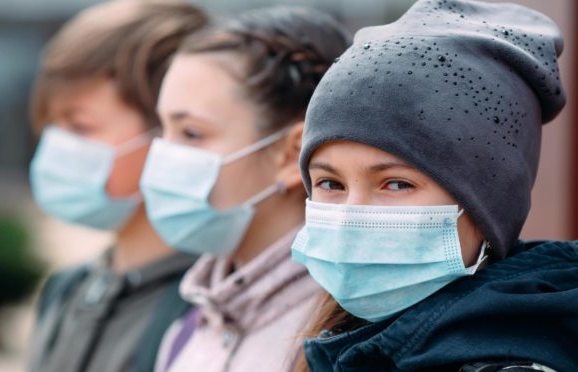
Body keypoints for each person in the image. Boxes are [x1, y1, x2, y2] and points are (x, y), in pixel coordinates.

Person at [291, 0, 578, 371]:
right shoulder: (348, 341)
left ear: (486, 206)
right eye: (330, 182)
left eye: (396, 184)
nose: (350, 217)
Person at [138, 6, 350, 372]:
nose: (163, 155)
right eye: (164, 130)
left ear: (290, 153)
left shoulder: (337, 343)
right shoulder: (191, 323)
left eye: (191, 133)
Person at [27, 2, 207, 371]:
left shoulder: (206, 309)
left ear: (169, 133)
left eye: (80, 127)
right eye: (50, 124)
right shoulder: (65, 291)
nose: (56, 144)